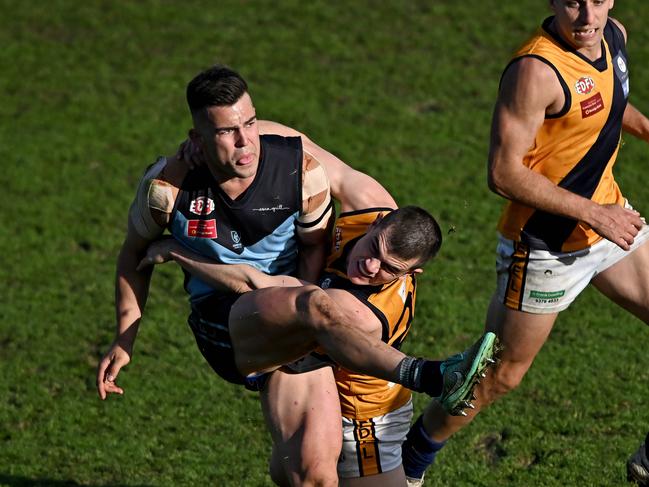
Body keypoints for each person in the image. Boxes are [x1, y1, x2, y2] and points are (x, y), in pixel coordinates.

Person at [96, 65, 497, 486]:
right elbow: (133, 256)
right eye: (229, 130)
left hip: (302, 326)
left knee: (311, 477)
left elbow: (306, 252)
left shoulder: (300, 175)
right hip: (227, 324)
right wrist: (125, 338)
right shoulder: (167, 188)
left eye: (250, 124)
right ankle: (431, 376)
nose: (245, 140)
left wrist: (177, 252)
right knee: (310, 304)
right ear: (197, 138)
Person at [401, 1, 649, 485]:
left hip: (608, 221)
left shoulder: (613, 35)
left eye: (596, 0)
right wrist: (596, 213)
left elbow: (608, 99)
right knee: (498, 375)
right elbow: (503, 173)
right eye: (573, 2)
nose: (585, 15)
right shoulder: (534, 71)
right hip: (545, 247)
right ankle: (408, 463)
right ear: (552, 2)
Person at [139, 182, 497, 486]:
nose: (371, 266)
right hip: (314, 375)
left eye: (389, 268)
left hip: (364, 418)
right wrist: (226, 139)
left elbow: (258, 284)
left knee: (305, 475)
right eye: (375, 249)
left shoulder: (358, 312)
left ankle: (428, 384)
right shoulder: (369, 202)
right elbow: (306, 148)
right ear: (380, 221)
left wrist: (174, 250)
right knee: (295, 474)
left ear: (412, 273)